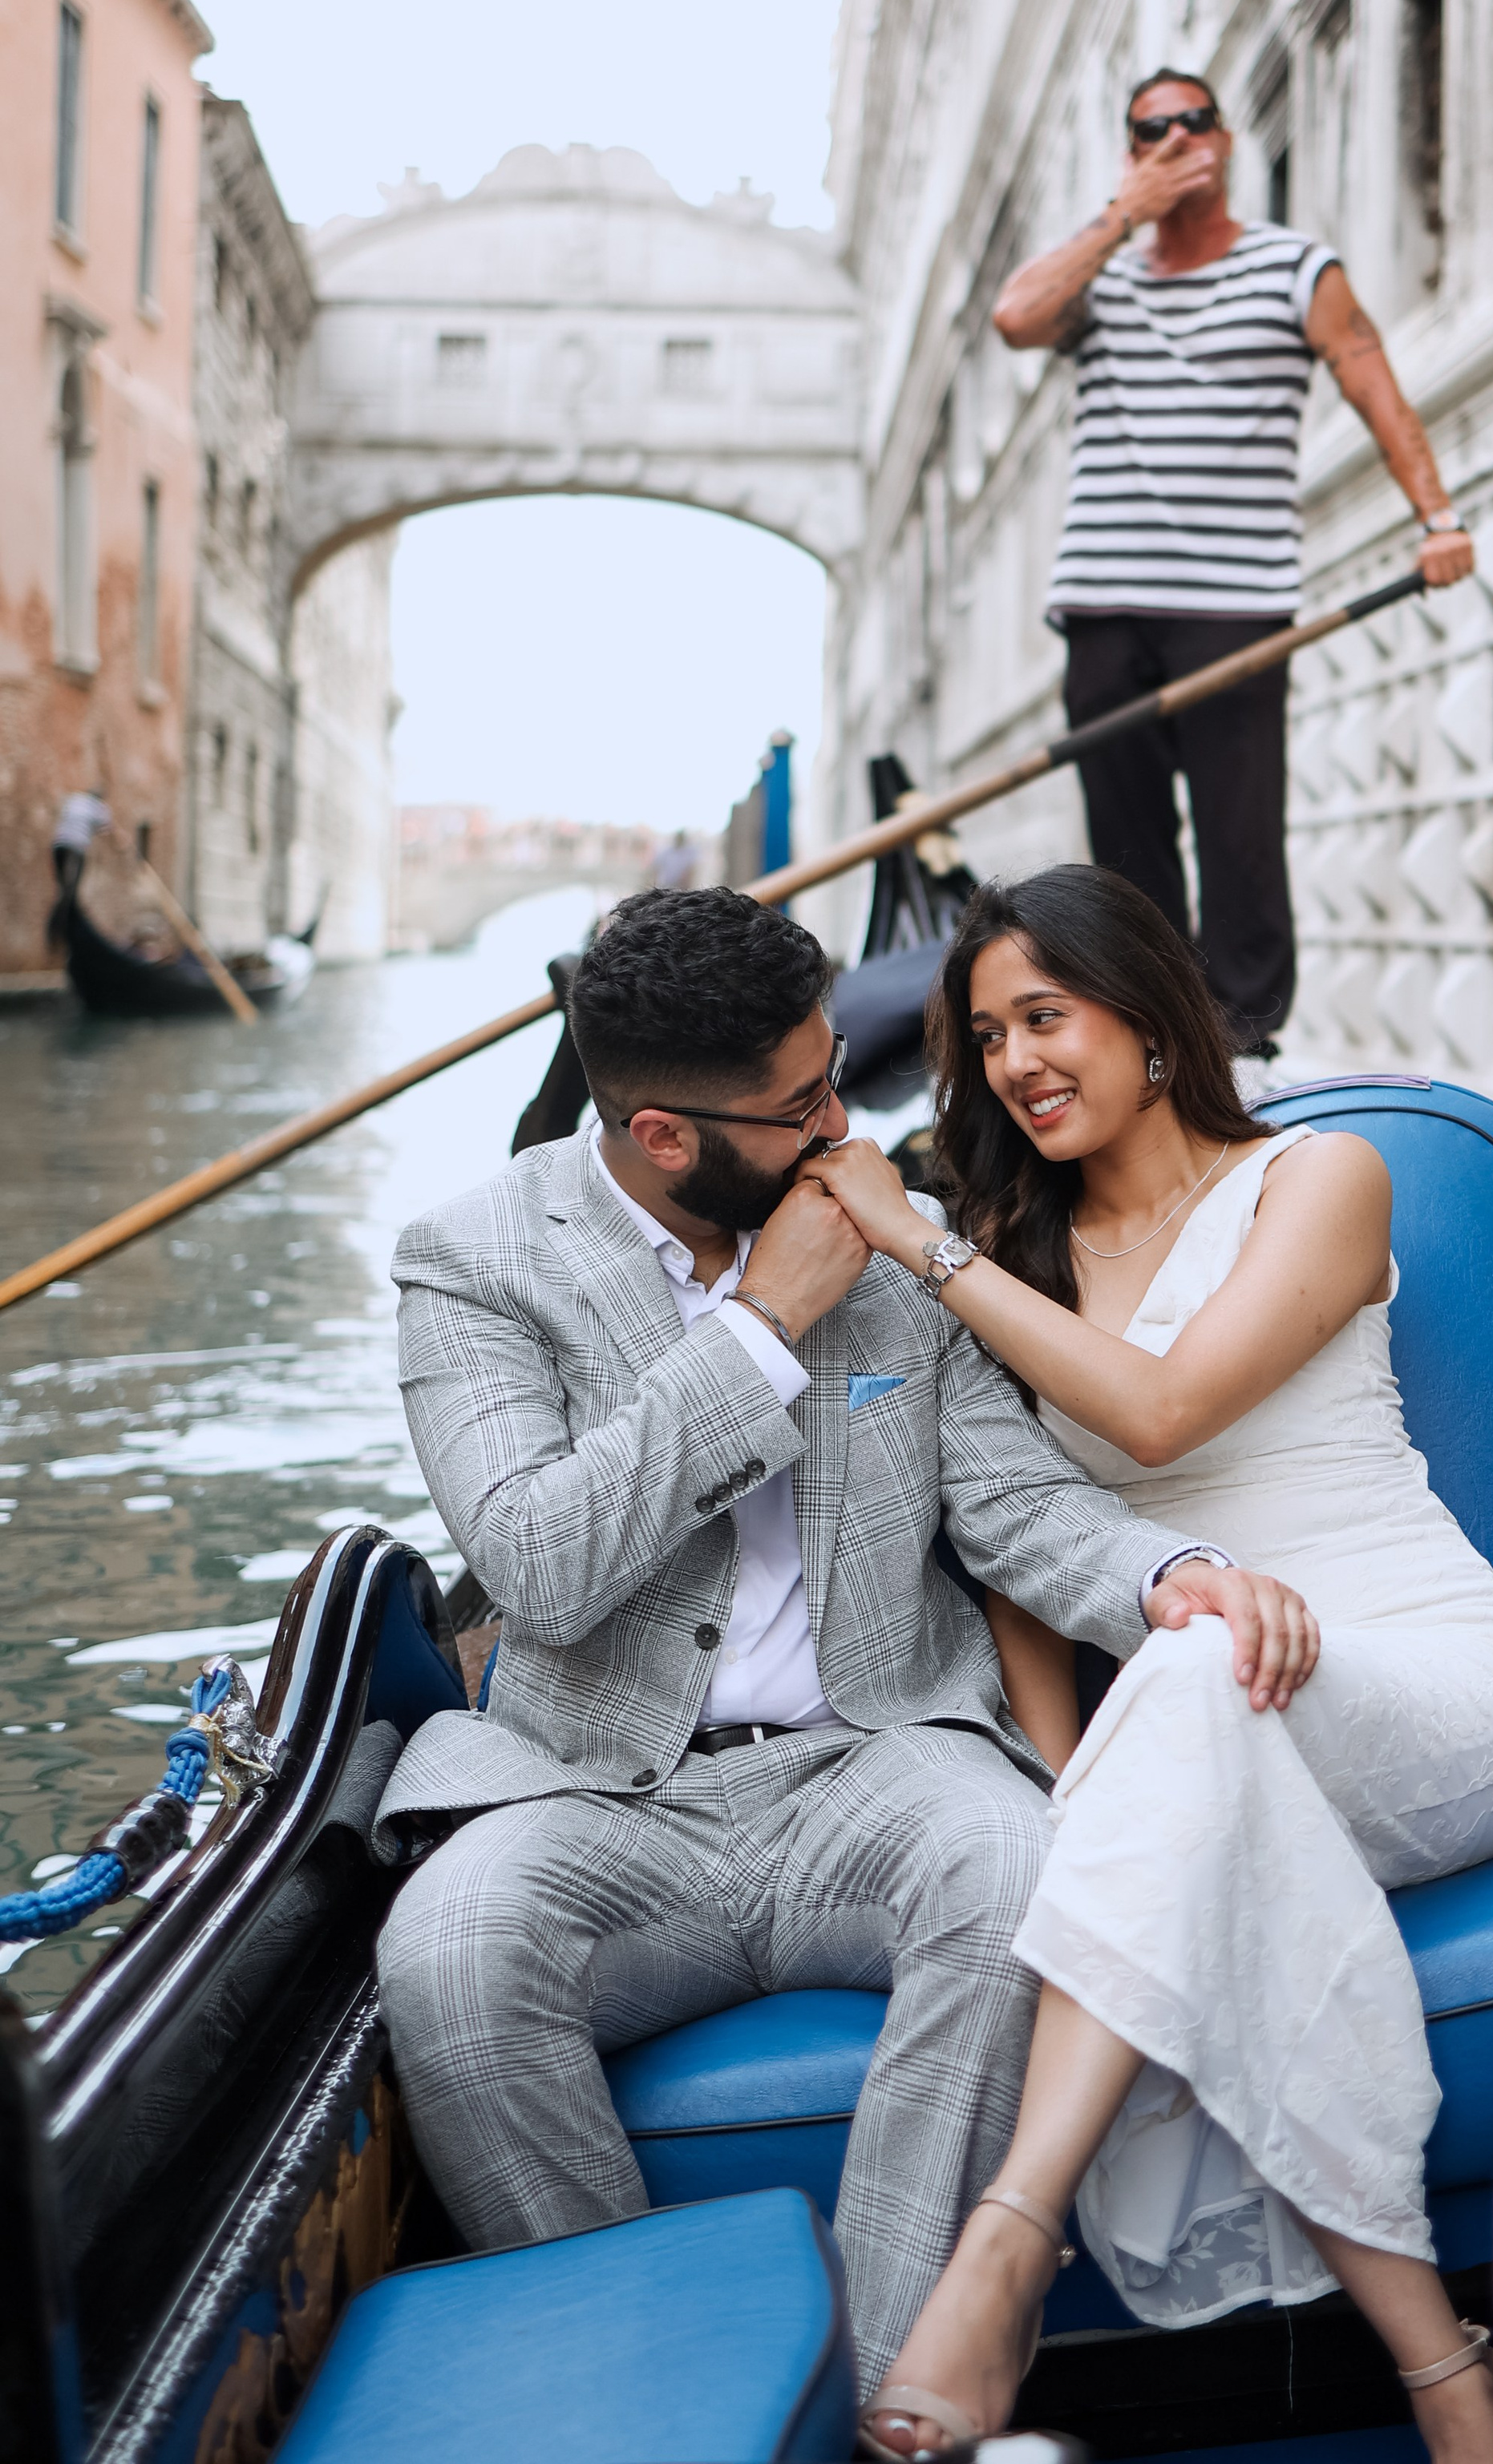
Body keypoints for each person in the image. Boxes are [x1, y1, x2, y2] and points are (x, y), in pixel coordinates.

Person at [369, 883, 1319, 2405]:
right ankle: (659, 2407)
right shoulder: (474, 1261)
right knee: (449, 1953)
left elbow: (1013, 1505)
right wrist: (759, 1331)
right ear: (664, 1136)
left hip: (875, 1759)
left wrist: (1174, 1575)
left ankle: (898, 2400)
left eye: (835, 1078)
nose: (844, 1127)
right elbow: (538, 1568)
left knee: (1021, 1875)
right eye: (803, 1105)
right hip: (600, 1794)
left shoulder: (894, 1235)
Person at [815, 866, 1493, 2464]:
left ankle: (1006, 2243)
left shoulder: (1317, 1177)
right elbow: (1018, 1560)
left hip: (1430, 1689)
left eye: (1044, 1017)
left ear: (1148, 1019)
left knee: (1192, 1662)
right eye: (984, 1038)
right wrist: (1063, 1796)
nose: (1015, 1063)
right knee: (1192, 1690)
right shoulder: (1014, 1246)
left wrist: (918, 1245)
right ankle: (1445, 2373)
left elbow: (1159, 1416)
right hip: (1208, 1709)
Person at [992, 70, 1475, 1058]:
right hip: (1103, 602)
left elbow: (1372, 383)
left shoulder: (1295, 269)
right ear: (1131, 153)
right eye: (1151, 131)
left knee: (1240, 836)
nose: (1176, 140)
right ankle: (1149, 1031)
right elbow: (1014, 319)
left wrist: (1438, 518)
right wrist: (1121, 217)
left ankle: (1242, 1044)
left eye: (1193, 122)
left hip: (1234, 604)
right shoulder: (1100, 280)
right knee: (1126, 846)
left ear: (1226, 140)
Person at [50, 787, 110, 903]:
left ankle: (65, 905)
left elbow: (61, 810)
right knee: (72, 887)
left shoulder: (74, 799)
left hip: (58, 843)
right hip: (77, 846)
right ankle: (68, 907)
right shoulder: (99, 807)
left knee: (62, 885)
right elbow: (105, 828)